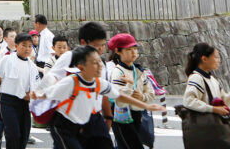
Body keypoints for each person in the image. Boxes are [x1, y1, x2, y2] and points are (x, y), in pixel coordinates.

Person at [35, 46, 165, 149]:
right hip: (63, 126)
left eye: (99, 62)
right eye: (94, 63)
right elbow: (47, 93)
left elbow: (119, 95)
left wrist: (146, 106)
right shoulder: (70, 82)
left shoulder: (99, 83)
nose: (100, 66)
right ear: (81, 67)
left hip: (83, 124)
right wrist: (36, 95)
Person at [41, 21, 116, 148]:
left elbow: (103, 92)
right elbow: (50, 78)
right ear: (83, 42)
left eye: (103, 45)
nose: (100, 49)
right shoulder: (69, 57)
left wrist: (108, 117)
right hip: (67, 118)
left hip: (93, 119)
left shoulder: (101, 64)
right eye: (96, 45)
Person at [181, 42, 230, 149]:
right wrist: (213, 109)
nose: (219, 60)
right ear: (204, 59)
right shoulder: (196, 78)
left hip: (211, 131)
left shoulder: (212, 79)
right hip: (206, 132)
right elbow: (188, 101)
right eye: (216, 57)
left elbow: (224, 102)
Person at [0, 33, 41, 149]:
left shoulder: (32, 66)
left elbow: (36, 87)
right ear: (16, 46)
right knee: (13, 133)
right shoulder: (7, 60)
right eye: (24, 45)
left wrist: (32, 96)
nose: (27, 49)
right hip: (8, 101)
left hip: (24, 103)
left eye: (29, 46)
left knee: (24, 134)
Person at [108, 33, 155, 149]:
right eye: (129, 49)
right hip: (121, 115)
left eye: (135, 49)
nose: (134, 52)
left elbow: (150, 93)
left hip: (136, 114)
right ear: (118, 51)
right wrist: (130, 85)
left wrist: (142, 97)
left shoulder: (139, 71)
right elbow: (118, 96)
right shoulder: (118, 72)